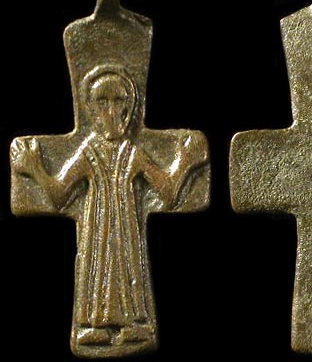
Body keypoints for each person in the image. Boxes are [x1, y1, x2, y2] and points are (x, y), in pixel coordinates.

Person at [11, 66, 207, 346]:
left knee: (127, 263)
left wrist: (186, 163)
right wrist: (35, 169)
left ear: (129, 109)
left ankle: (134, 324)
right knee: (98, 264)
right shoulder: (89, 153)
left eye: (119, 101)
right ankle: (92, 325)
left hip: (127, 229)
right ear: (91, 110)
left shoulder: (132, 153)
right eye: (103, 102)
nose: (112, 111)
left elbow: (169, 194)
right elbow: (59, 197)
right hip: (96, 229)